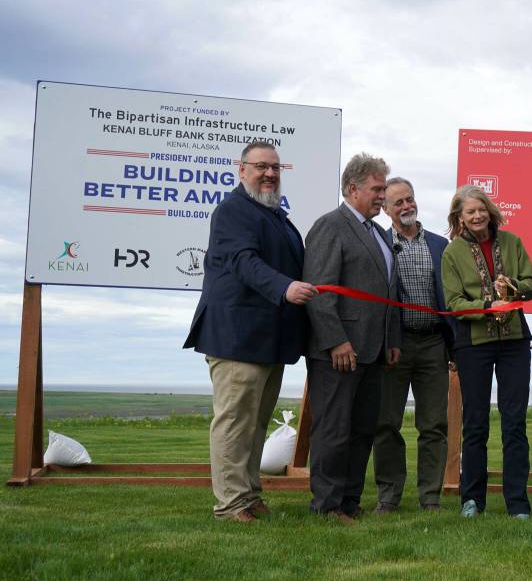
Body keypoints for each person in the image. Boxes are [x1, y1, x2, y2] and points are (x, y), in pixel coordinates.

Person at [184, 140, 317, 522]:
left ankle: (248, 494)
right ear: (241, 169)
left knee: (256, 422)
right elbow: (244, 262)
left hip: (267, 340)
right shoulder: (231, 212)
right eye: (261, 166)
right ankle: (229, 504)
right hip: (236, 337)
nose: (270, 174)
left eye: (276, 167)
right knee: (235, 421)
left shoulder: (276, 215)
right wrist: (284, 287)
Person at [303, 152, 401, 523]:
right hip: (339, 351)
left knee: (362, 430)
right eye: (377, 189)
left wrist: (392, 339)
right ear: (352, 188)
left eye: (383, 188)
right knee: (333, 429)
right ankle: (326, 505)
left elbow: (388, 293)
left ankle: (348, 501)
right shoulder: (330, 225)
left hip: (373, 351)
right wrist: (335, 341)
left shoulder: (377, 232)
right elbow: (320, 289)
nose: (382, 196)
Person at [441, 185, 532, 519]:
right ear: (460, 218)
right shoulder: (452, 253)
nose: (477, 215)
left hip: (514, 341)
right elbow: (453, 303)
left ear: (490, 210)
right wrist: (487, 305)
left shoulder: (512, 242)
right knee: (476, 424)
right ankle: (472, 500)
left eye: (481, 209)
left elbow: (530, 282)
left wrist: (512, 287)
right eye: (470, 212)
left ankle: (518, 504)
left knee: (514, 423)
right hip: (473, 345)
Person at [372, 177, 454, 513]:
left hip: (434, 344)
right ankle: (389, 496)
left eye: (409, 199)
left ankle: (430, 498)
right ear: (385, 209)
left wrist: (454, 348)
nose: (406, 206)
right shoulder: (377, 242)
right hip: (395, 345)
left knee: (433, 425)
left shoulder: (440, 245)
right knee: (386, 422)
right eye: (398, 203)